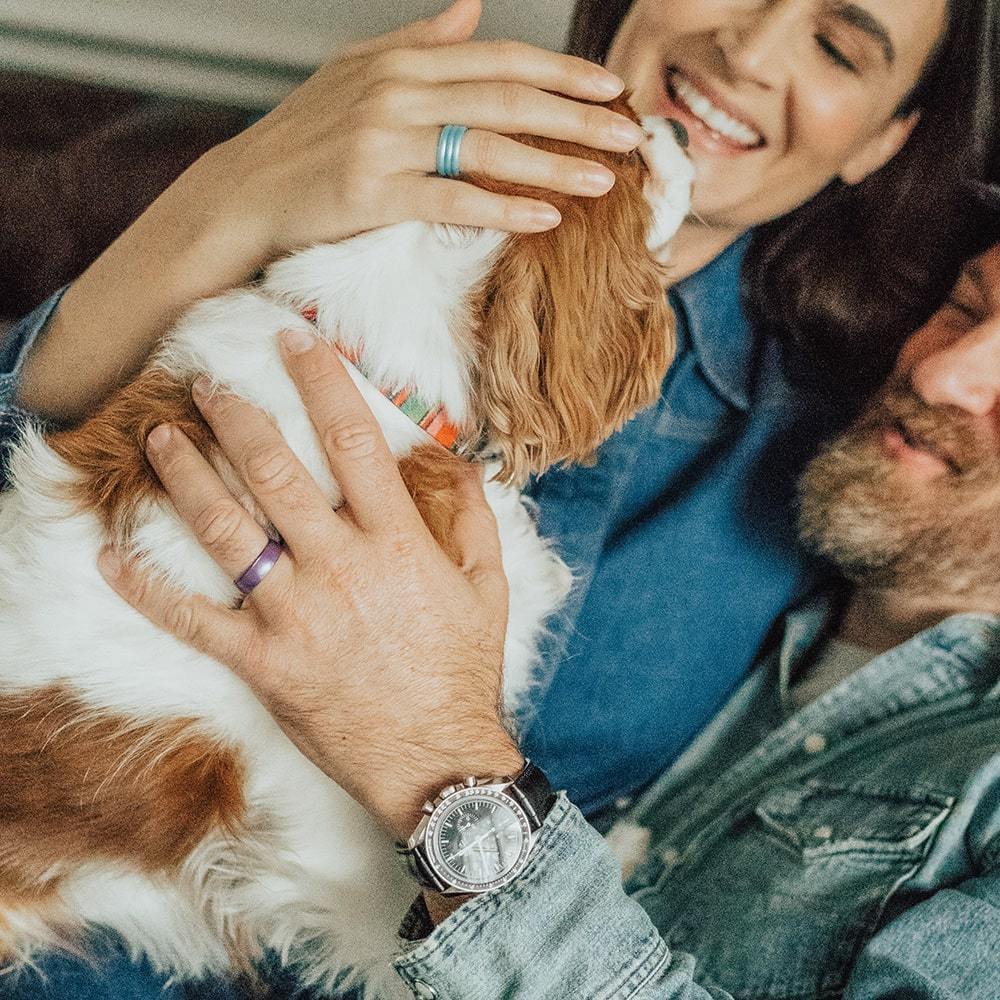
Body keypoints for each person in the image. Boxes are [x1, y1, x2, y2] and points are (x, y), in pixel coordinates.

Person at [0, 0, 997, 993]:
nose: (746, 49)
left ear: (882, 138)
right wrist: (221, 209)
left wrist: (424, 744)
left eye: (835, 47)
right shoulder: (329, 170)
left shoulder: (842, 450)